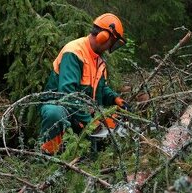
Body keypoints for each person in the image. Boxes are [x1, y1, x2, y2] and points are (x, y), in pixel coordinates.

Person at [39, 13, 129, 155]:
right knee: (54, 113)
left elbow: (101, 89)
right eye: (111, 43)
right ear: (103, 37)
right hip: (62, 106)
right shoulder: (74, 52)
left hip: (84, 111)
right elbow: (68, 93)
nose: (109, 48)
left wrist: (115, 99)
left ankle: (90, 159)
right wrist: (90, 122)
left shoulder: (99, 61)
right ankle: (47, 156)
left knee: (114, 122)